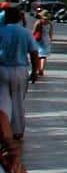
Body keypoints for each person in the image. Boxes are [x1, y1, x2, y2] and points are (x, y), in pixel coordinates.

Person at [0, 8, 43, 142]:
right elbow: (34, 53)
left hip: (2, 69)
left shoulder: (1, 31)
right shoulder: (25, 33)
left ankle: (3, 129)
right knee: (18, 100)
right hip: (20, 69)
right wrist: (35, 71)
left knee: (3, 100)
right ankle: (17, 131)